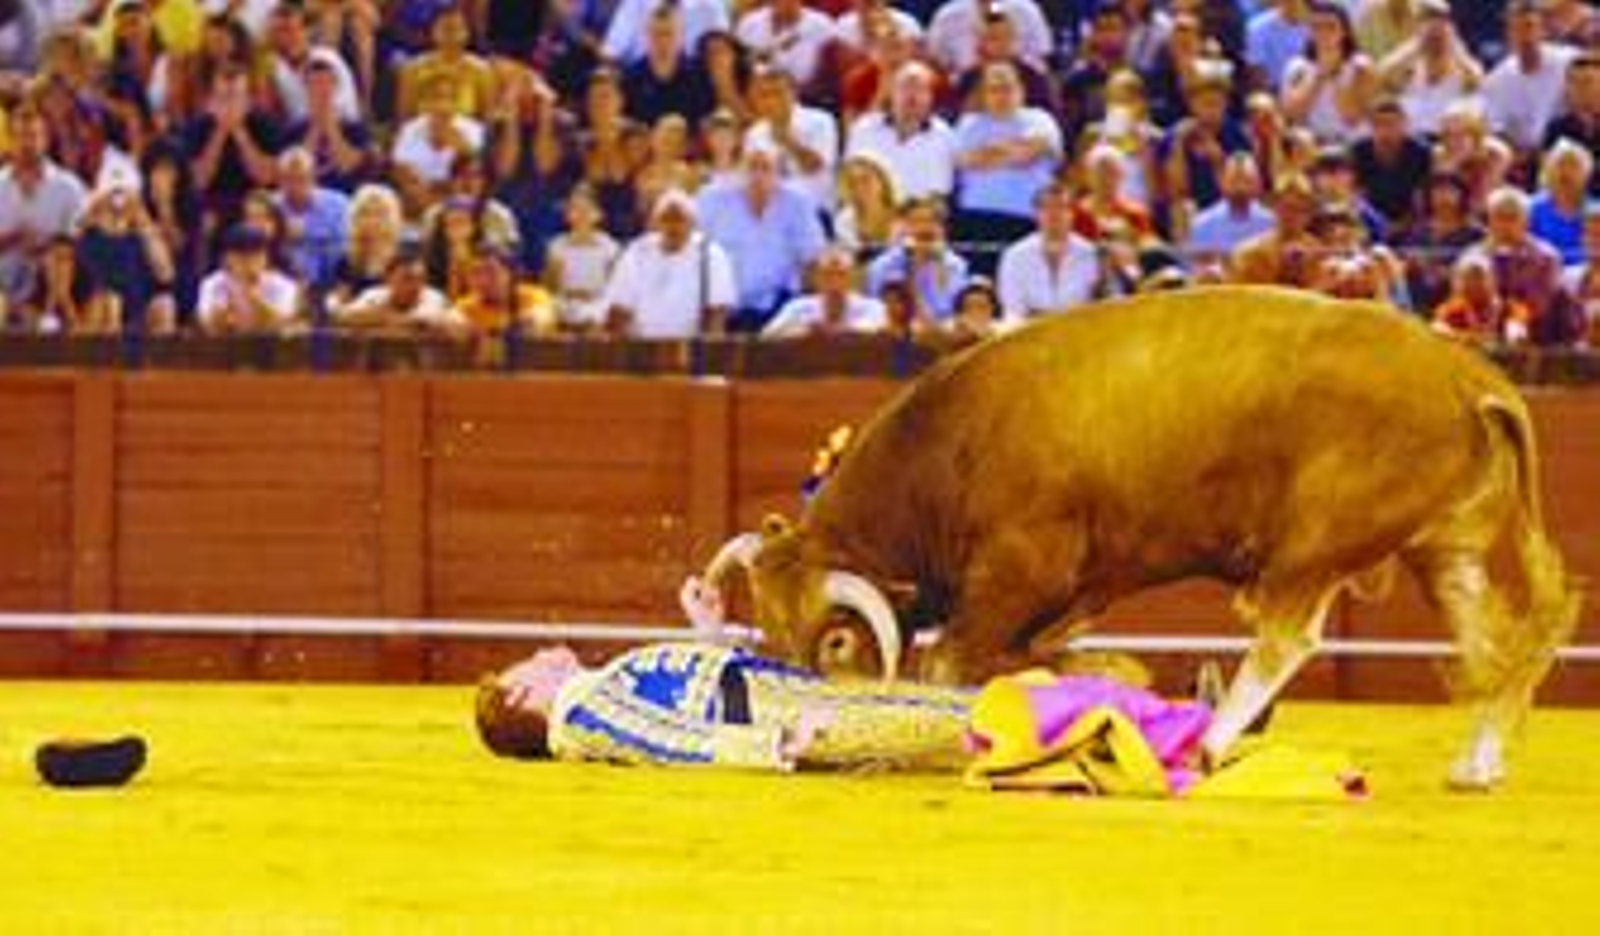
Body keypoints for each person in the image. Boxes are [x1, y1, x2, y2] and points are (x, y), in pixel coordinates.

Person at [474, 576, 975, 770]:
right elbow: (666, 739)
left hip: (770, 696)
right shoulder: (576, 713)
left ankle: (1016, 724)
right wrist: (775, 744)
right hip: (768, 716)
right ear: (520, 696)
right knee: (927, 725)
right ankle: (1018, 733)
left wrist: (708, 633)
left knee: (923, 715)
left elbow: (679, 702)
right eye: (530, 665)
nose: (543, 652)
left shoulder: (593, 693)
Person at [601, 188, 737, 339]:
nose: (673, 226)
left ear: (693, 223)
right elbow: (619, 308)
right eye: (667, 219)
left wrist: (709, 349)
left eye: (680, 219)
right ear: (656, 223)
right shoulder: (637, 252)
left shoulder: (711, 254)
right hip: (642, 345)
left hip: (692, 346)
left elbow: (718, 312)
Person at [760, 245, 887, 338]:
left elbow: (885, 329)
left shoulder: (873, 307)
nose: (835, 283)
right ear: (817, 278)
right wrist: (805, 331)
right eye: (827, 275)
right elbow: (766, 336)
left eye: (841, 275)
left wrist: (841, 331)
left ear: (852, 279)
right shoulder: (797, 308)